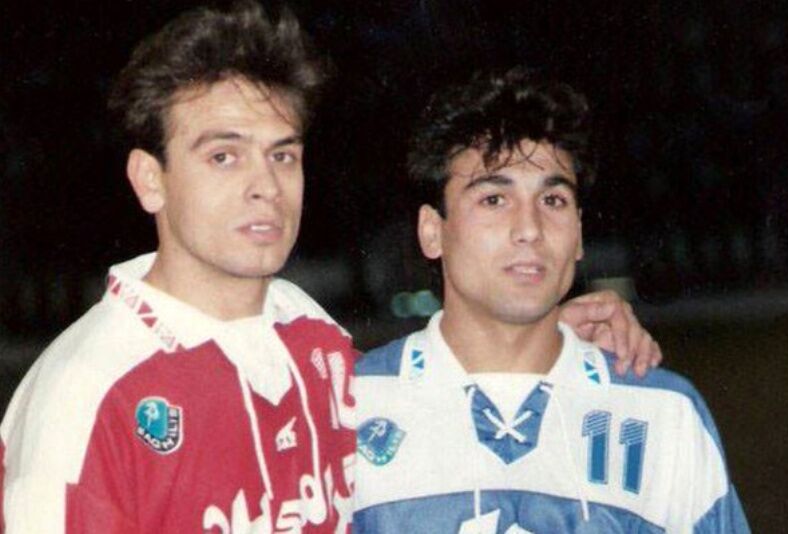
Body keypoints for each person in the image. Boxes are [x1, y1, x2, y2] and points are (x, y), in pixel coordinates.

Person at [0, 3, 660, 532]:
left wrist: (542, 332)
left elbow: (427, 403)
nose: (265, 186)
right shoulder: (87, 395)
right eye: (224, 157)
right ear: (151, 180)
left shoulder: (309, 337)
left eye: (282, 155)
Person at [354, 68, 749, 533]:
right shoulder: (352, 407)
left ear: (578, 232)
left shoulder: (663, 414)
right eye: (494, 199)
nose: (529, 229)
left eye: (553, 201)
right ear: (431, 231)